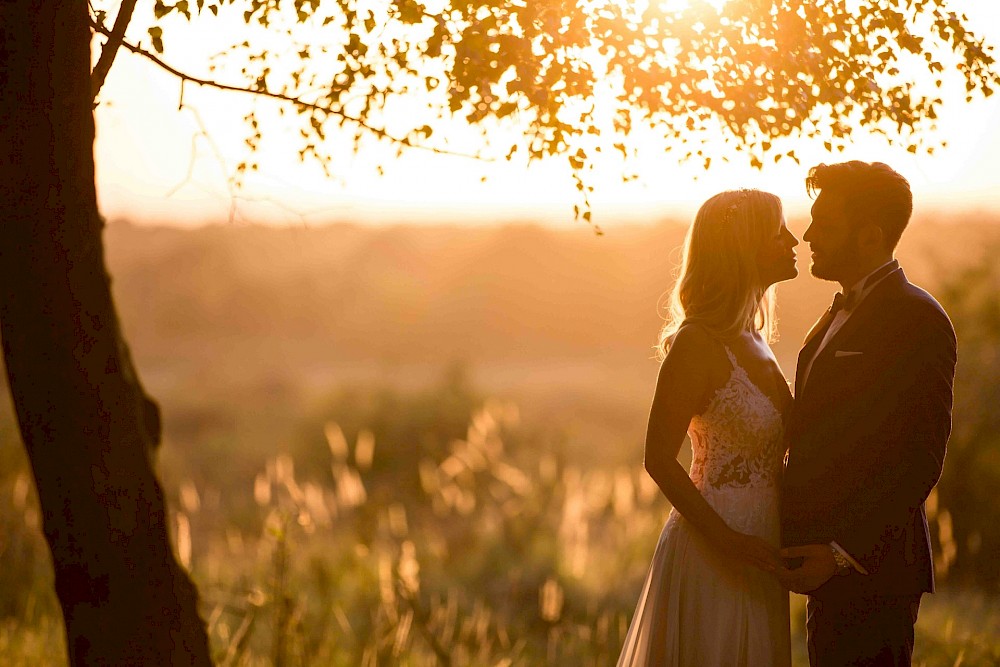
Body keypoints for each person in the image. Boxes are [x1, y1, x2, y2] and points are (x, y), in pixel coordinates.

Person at [778, 161, 957, 666]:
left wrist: (839, 553)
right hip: (827, 574)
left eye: (825, 224)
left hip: (873, 573)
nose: (808, 234)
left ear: (869, 235)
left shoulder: (917, 319)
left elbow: (919, 459)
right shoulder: (834, 313)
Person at [617, 189, 798, 666]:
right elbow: (657, 458)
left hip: (764, 541)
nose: (794, 240)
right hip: (713, 546)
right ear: (745, 246)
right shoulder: (696, 343)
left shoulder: (755, 339)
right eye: (779, 233)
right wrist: (729, 541)